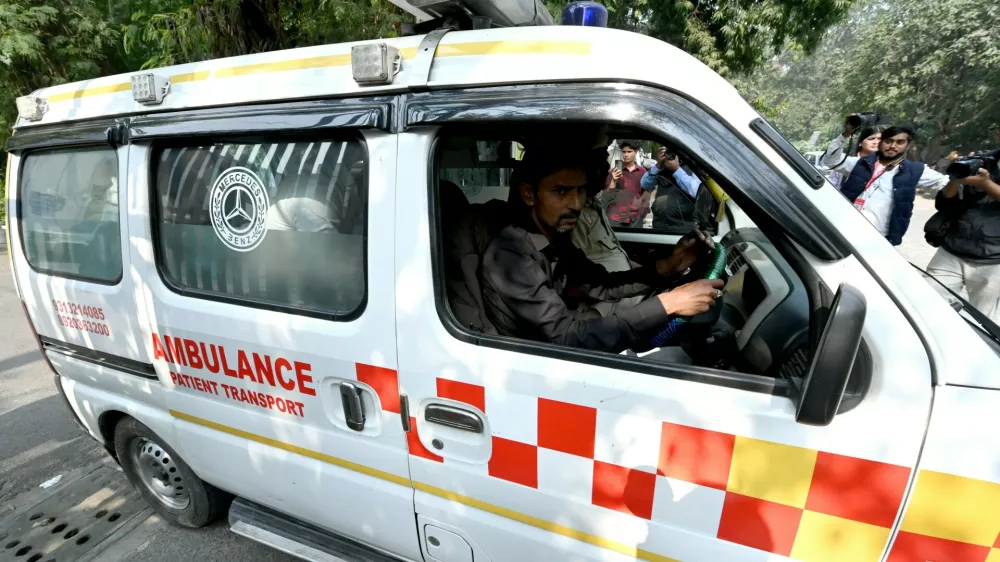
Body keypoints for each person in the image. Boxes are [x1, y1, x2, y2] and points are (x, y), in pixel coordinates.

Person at [481, 148, 723, 353]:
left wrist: (668, 267)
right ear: (529, 194)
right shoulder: (511, 254)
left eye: (581, 190)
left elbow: (602, 284)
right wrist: (669, 303)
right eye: (561, 191)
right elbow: (565, 336)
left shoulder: (555, 238)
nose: (576, 204)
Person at [823, 117, 956, 246]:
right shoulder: (861, 163)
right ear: (881, 143)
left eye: (900, 142)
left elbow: (945, 182)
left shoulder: (915, 170)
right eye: (888, 141)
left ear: (908, 145)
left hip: (878, 238)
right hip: (844, 228)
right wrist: (846, 134)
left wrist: (958, 173)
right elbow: (831, 161)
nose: (893, 146)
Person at [926, 148, 1000, 323]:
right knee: (925, 303)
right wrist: (957, 178)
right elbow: (944, 201)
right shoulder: (983, 159)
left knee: (980, 321)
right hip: (952, 250)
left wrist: (986, 184)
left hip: (994, 260)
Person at [603, 140, 651, 228]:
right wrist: (614, 180)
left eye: (629, 152)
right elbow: (607, 196)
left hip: (635, 217)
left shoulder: (642, 171)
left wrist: (642, 213)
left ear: (636, 152)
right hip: (615, 217)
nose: (626, 155)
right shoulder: (613, 172)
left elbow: (646, 194)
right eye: (624, 152)